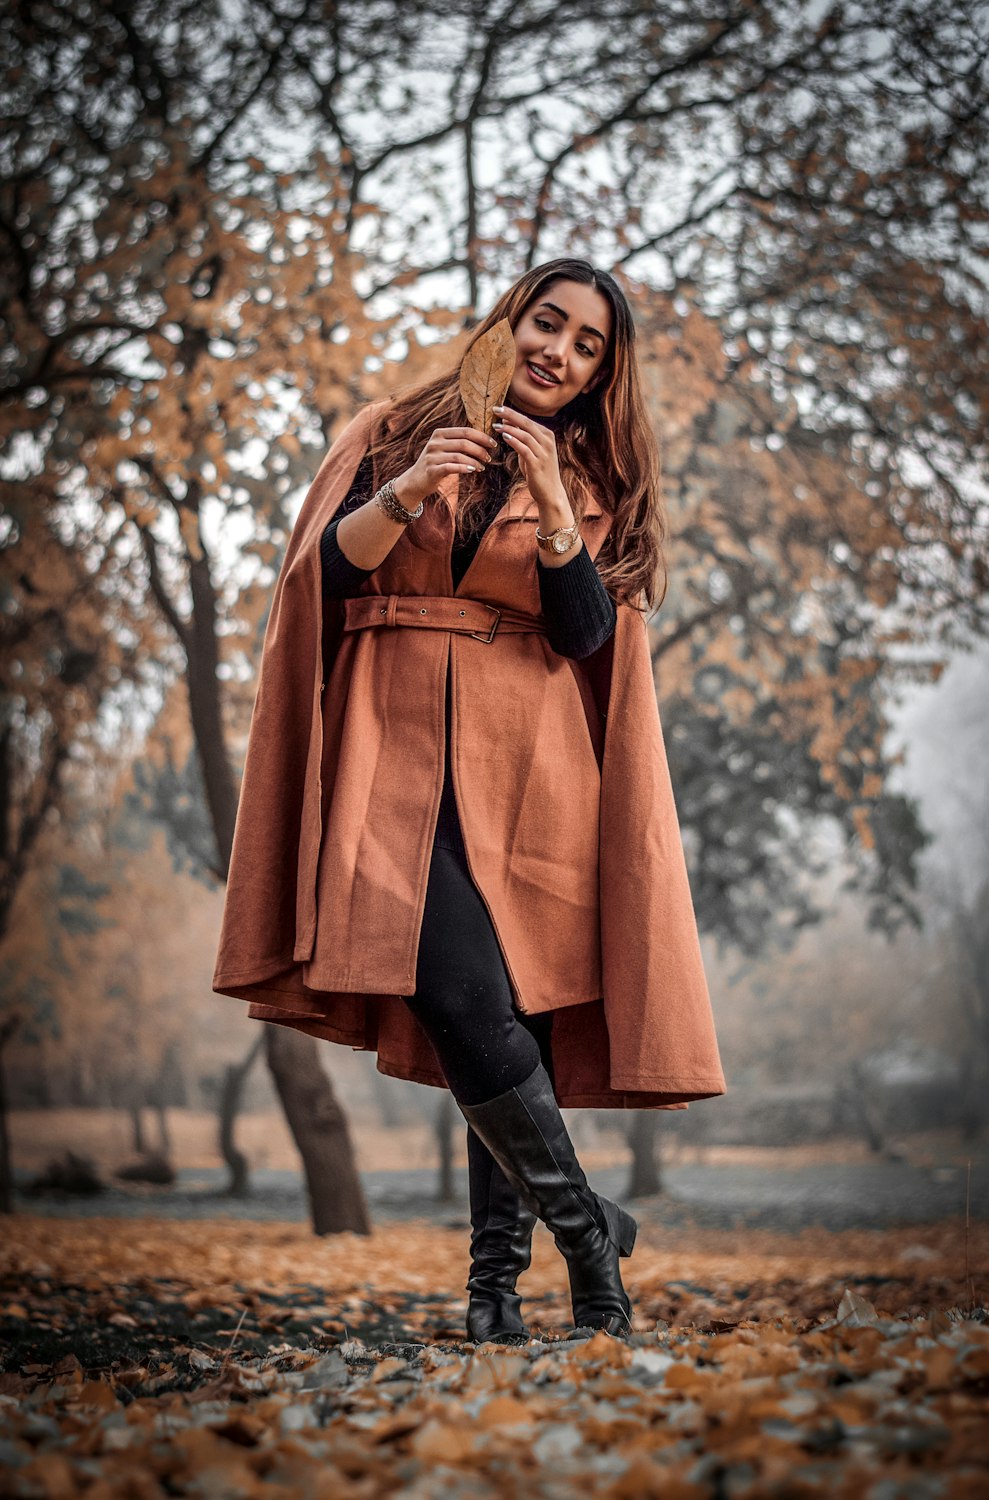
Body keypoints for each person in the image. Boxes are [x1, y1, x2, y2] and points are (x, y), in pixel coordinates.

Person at [212, 257, 727, 1346]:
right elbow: (326, 578)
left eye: (588, 345)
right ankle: (588, 1227)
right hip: (389, 750)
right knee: (456, 999)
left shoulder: (590, 479)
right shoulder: (394, 428)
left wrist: (548, 500)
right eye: (549, 323)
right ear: (511, 319)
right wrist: (406, 489)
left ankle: (502, 1297)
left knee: (508, 1022)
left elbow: (587, 632)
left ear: (600, 375)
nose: (560, 351)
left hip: (532, 765)